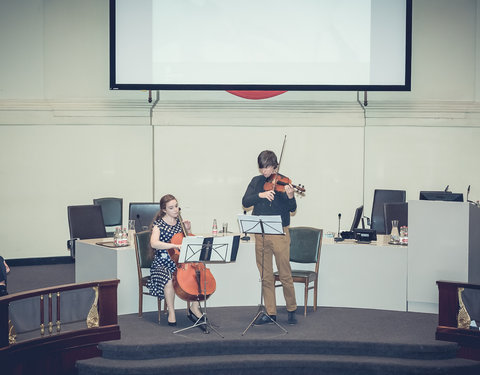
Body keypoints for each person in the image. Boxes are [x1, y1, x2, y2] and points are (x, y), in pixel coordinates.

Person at [242, 150, 298, 325]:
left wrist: (290, 196)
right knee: (265, 275)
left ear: (275, 166)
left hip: (279, 233)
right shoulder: (256, 181)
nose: (265, 172)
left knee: (284, 273)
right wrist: (261, 195)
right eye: (262, 168)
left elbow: (292, 208)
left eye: (267, 167)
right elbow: (245, 201)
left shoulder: (285, 182)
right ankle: (271, 312)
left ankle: (291, 309)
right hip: (260, 233)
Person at [148, 194, 204, 329]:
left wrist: (188, 230)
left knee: (197, 275)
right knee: (168, 279)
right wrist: (173, 246)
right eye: (171, 208)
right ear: (164, 210)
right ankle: (171, 312)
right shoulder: (158, 225)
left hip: (178, 261)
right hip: (161, 262)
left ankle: (194, 307)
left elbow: (188, 241)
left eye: (176, 206)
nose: (175, 210)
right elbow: (154, 243)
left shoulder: (180, 223)